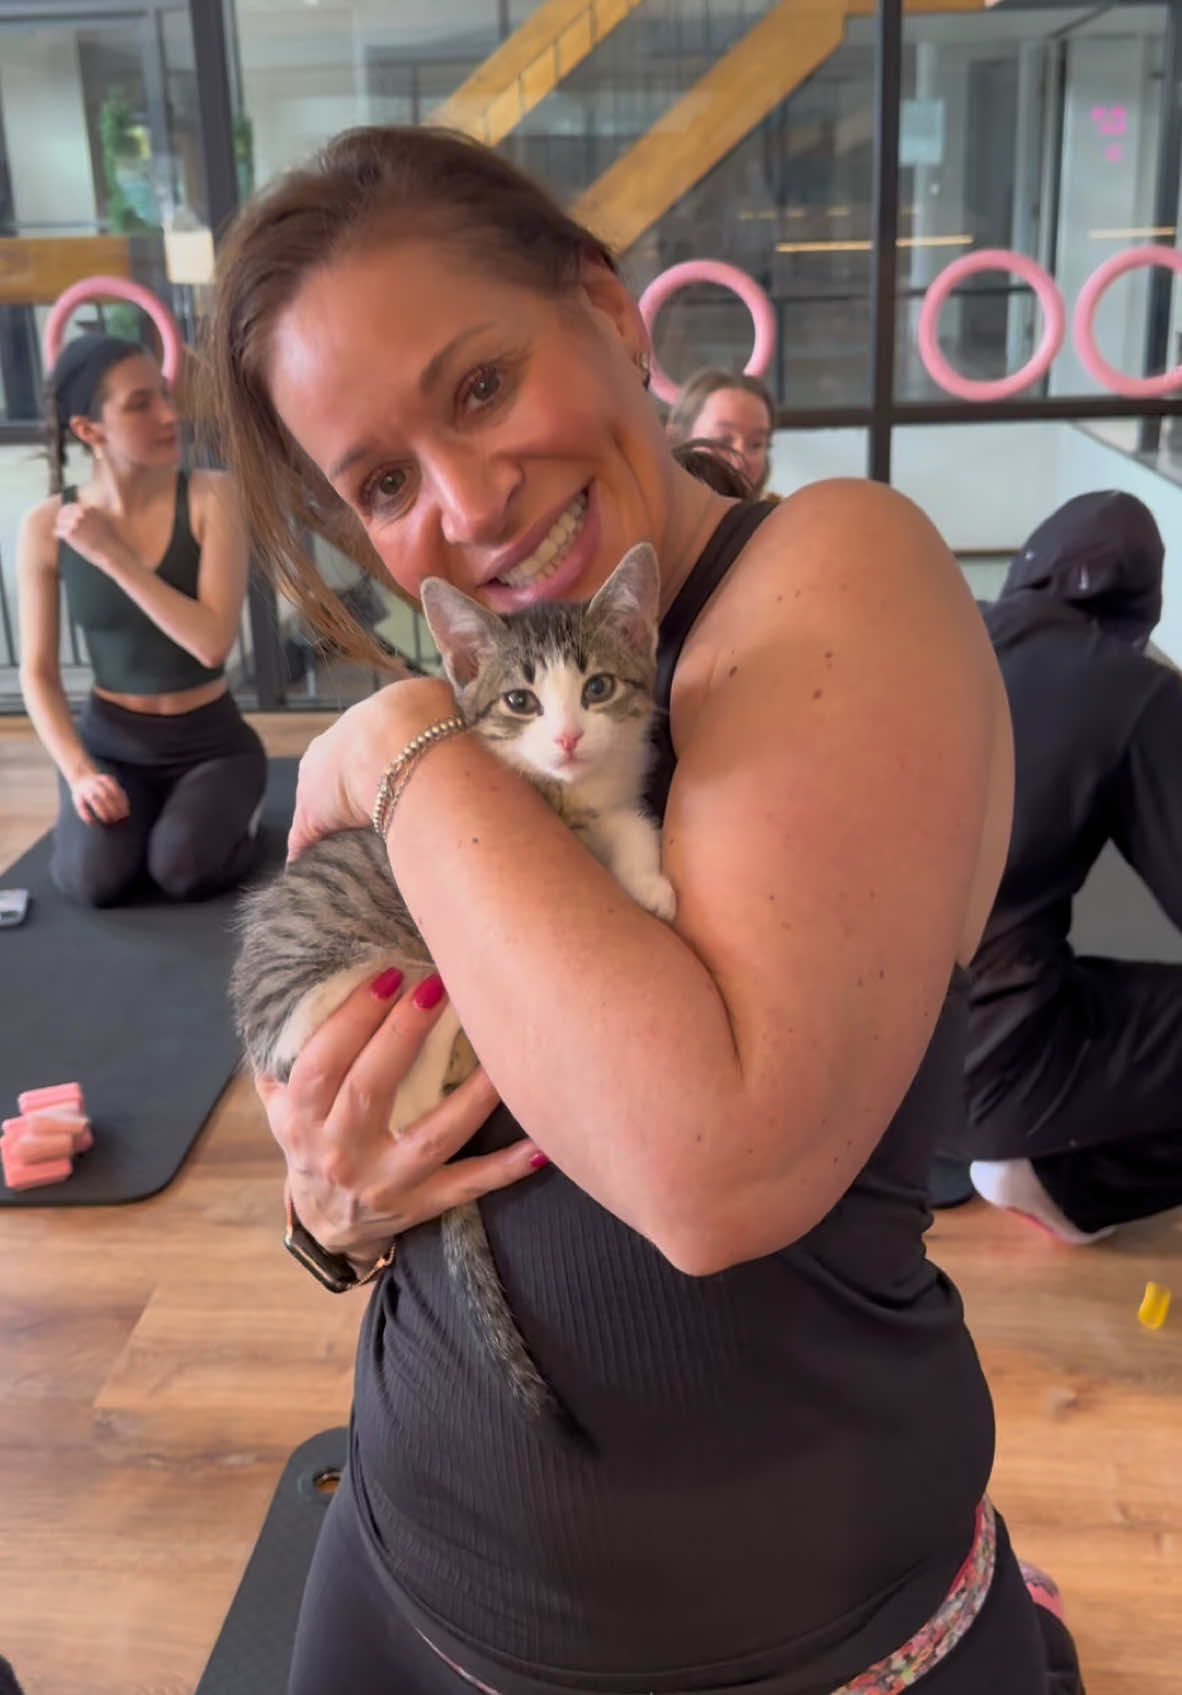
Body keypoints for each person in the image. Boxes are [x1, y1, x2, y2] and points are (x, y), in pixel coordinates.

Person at [208, 126, 1084, 1694]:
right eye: (384, 482)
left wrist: (405, 730)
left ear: (608, 315)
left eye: (479, 385)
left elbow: (708, 1161)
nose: (469, 500)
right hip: (406, 1570)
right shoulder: (479, 719)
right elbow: (370, 1139)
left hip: (804, 1647)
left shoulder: (828, 571)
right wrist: (330, 1218)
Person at [939, 490, 1182, 1244]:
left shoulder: (941, 630)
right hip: (991, 1076)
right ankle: (1063, 1184)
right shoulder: (1129, 687)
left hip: (856, 1074)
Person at [16, 332, 267, 906]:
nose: (167, 416)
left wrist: (113, 556)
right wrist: (79, 771)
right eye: (139, 404)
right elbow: (37, 672)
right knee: (94, 881)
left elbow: (211, 644)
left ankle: (239, 810)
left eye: (163, 395)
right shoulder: (45, 526)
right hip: (111, 743)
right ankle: (124, 815)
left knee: (182, 869)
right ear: (88, 430)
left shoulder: (212, 496)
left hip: (212, 743)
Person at [666, 365, 776, 494]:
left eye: (756, 444)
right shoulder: (645, 511)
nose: (739, 463)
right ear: (676, 441)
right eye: (722, 441)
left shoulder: (785, 512)